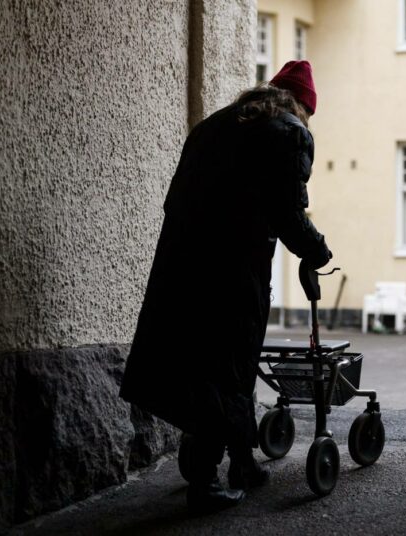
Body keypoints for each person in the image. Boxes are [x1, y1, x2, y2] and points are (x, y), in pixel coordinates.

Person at [119, 61, 332, 513]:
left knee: (203, 365)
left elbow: (174, 197)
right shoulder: (289, 132)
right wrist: (317, 251)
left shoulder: (215, 125)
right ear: (302, 106)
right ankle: (205, 484)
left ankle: (243, 463)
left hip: (181, 262)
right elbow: (288, 213)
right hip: (233, 269)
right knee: (226, 367)